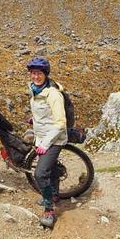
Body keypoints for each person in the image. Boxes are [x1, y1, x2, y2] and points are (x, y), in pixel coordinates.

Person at [26, 56, 67, 229]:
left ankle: (49, 210)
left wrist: (45, 144)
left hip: (54, 139)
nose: (35, 77)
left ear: (46, 74)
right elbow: (44, 113)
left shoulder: (54, 94)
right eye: (33, 73)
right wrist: (34, 120)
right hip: (41, 136)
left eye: (39, 73)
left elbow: (60, 123)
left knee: (40, 174)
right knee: (48, 169)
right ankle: (54, 194)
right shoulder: (35, 89)